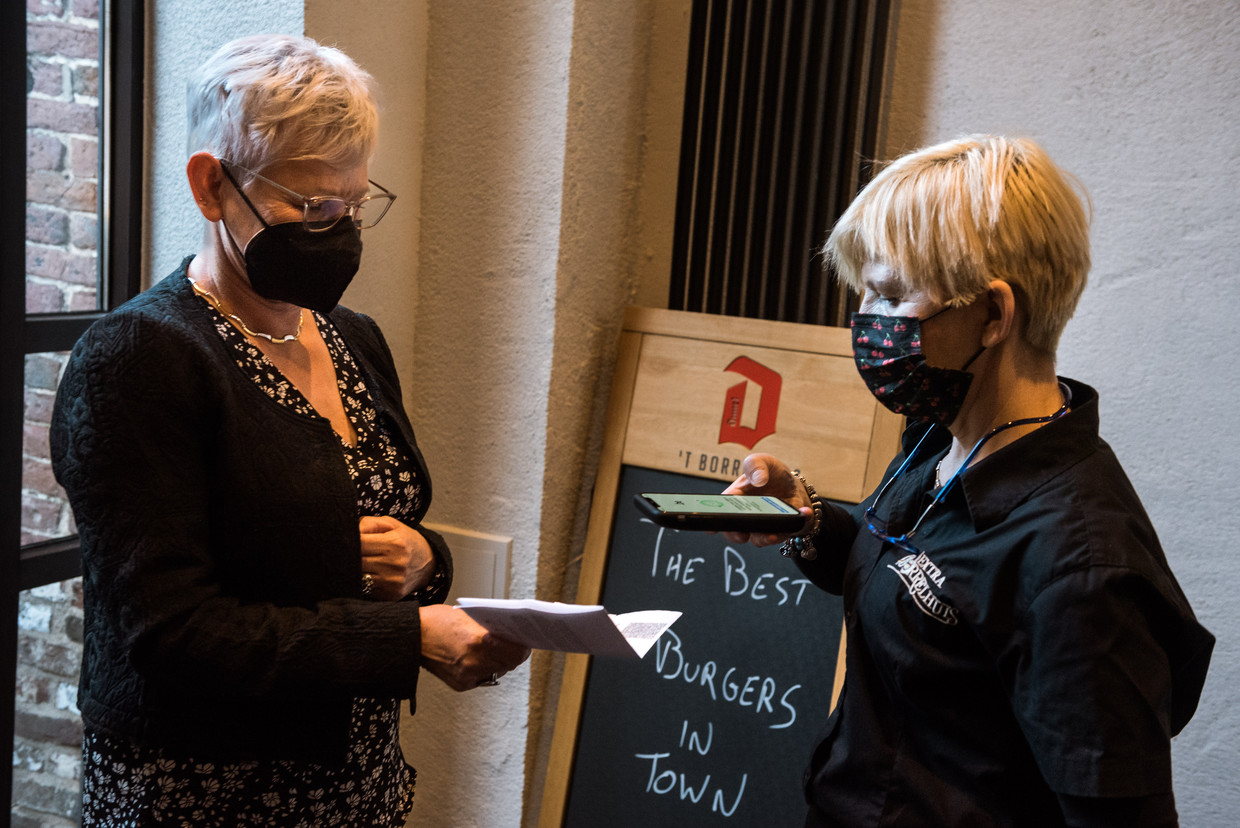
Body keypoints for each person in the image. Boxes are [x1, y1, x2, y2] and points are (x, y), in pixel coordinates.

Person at [50, 34, 529, 826]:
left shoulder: (353, 338)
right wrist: (406, 638)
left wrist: (426, 561)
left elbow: (376, 538)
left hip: (352, 780)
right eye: (308, 206)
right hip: (201, 792)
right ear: (211, 186)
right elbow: (170, 632)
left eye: (352, 202)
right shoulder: (138, 357)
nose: (335, 228)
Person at [722, 134, 1213, 826]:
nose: (865, 321)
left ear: (993, 315)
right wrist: (806, 520)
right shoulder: (942, 436)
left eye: (891, 297)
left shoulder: (1078, 568)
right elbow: (922, 587)